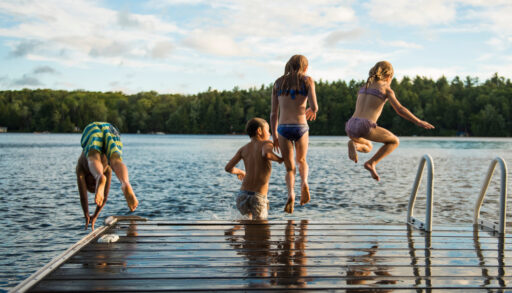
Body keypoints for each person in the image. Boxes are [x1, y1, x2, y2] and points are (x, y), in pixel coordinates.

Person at [346, 61, 434, 181]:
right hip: (365, 125)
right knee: (394, 141)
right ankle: (371, 163)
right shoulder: (386, 89)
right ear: (388, 76)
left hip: (350, 124)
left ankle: (355, 145)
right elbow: (400, 109)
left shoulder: (364, 86)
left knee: (368, 146)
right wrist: (418, 121)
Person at [270, 54, 318, 214]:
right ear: (305, 67)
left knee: (290, 168)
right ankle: (304, 182)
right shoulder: (307, 81)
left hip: (283, 127)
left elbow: (273, 114)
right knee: (302, 160)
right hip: (301, 126)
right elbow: (315, 106)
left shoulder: (278, 82)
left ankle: (291, 193)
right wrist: (312, 110)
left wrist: (275, 136)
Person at [76, 122, 138, 230]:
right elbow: (104, 197)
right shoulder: (107, 169)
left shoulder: (80, 168)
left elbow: (83, 197)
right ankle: (125, 182)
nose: (94, 184)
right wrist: (95, 215)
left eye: (93, 185)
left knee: (93, 157)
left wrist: (87, 214)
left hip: (92, 128)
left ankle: (99, 176)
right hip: (110, 129)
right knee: (115, 160)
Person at [225, 118, 283, 220]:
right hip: (258, 196)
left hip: (242, 195)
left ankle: (236, 227)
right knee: (262, 232)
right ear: (259, 131)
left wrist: (240, 171)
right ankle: (239, 227)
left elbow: (228, 168)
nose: (269, 133)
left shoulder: (243, 149)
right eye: (268, 130)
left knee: (248, 226)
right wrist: (280, 159)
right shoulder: (266, 143)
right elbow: (267, 154)